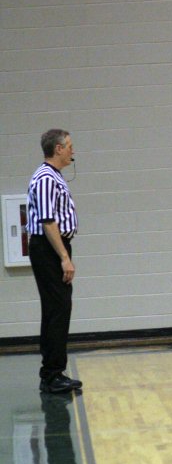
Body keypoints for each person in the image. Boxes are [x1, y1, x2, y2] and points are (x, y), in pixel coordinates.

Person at [26, 129, 83, 394]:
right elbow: (48, 221)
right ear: (58, 149)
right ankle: (52, 374)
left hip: (53, 248)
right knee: (58, 309)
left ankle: (53, 371)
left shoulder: (52, 176)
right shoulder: (46, 178)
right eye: (69, 146)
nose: (73, 151)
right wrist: (63, 257)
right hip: (50, 249)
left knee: (56, 308)